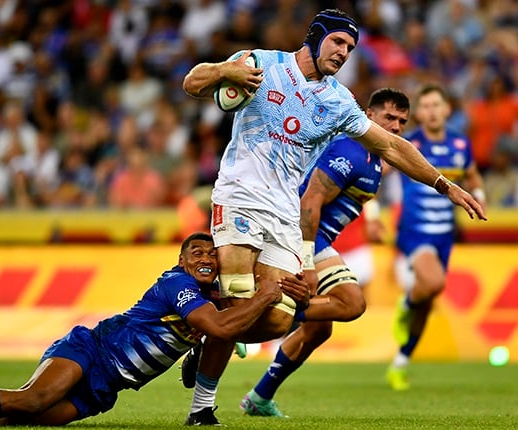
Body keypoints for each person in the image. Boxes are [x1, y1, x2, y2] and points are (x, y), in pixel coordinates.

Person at [180, 8, 485, 425]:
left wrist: (445, 185)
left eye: (350, 47)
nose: (344, 52)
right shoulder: (263, 63)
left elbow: (393, 148)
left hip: (284, 213)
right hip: (239, 196)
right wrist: (222, 72)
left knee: (276, 317)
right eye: (338, 42)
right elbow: (192, 83)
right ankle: (202, 409)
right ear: (316, 37)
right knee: (237, 299)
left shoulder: (338, 101)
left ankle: (207, 333)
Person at [0, 232, 309, 428]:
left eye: (211, 255)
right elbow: (220, 325)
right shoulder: (176, 284)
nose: (205, 258)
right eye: (195, 252)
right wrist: (266, 295)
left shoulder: (212, 297)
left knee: (17, 419)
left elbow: (223, 326)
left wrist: (297, 300)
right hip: (92, 349)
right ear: (182, 261)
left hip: (107, 387)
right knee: (33, 397)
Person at [238, 88, 410, 417]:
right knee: (351, 303)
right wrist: (306, 261)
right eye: (389, 117)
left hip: (318, 240)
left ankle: (259, 398)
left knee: (319, 327)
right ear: (369, 116)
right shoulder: (351, 149)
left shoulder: (375, 159)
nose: (396, 126)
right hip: (298, 238)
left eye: (402, 121)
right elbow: (309, 203)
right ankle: (247, 320)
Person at [387, 84, 486, 391]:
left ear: (447, 110)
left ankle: (401, 362)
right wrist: (375, 213)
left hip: (445, 234)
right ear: (419, 113)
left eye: (436, 105)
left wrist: (478, 194)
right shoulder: (409, 143)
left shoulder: (460, 144)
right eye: (425, 106)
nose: (431, 111)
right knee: (433, 283)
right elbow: (382, 171)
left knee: (428, 301)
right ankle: (405, 305)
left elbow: (471, 175)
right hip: (415, 231)